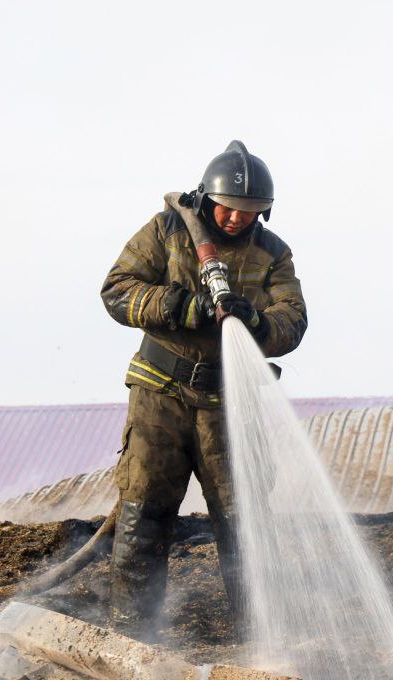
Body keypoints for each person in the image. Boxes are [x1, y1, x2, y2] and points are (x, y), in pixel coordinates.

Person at [100, 140, 308, 637]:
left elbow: (293, 323)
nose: (237, 220)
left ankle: (261, 638)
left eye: (250, 213)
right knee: (145, 510)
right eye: (229, 209)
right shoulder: (168, 230)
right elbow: (118, 290)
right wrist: (181, 307)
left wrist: (255, 320)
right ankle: (133, 635)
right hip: (161, 396)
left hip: (231, 406)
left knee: (247, 521)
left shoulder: (273, 254)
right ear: (209, 199)